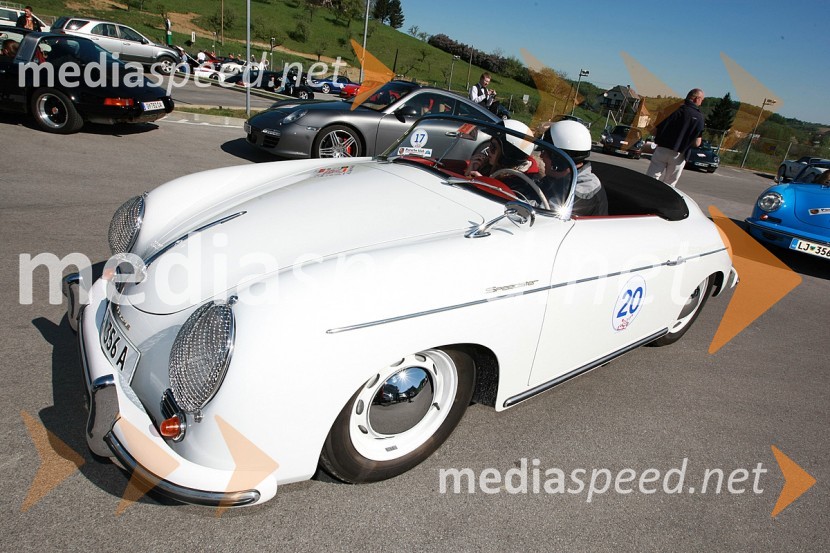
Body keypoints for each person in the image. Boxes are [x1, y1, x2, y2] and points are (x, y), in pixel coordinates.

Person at [538, 120, 608, 216]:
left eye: (545, 152)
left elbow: (543, 214)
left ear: (558, 158)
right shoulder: (560, 178)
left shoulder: (583, 191)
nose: (541, 156)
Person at [646, 88, 705, 187]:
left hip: (661, 149)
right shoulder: (699, 117)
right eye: (702, 100)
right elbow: (697, 143)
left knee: (651, 178)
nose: (701, 102)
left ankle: (644, 196)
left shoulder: (669, 109)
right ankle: (663, 200)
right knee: (670, 183)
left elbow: (654, 131)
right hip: (679, 154)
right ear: (696, 99)